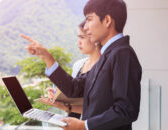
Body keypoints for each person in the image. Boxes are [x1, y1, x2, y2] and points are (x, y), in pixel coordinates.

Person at [21, 0, 142, 129]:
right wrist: (47, 57)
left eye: (89, 19)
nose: (85, 27)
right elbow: (74, 88)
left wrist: (84, 125)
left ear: (107, 20)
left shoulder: (122, 53)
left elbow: (126, 110)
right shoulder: (108, 55)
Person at [40, 20, 101, 119]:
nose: (78, 42)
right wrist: (60, 95)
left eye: (82, 37)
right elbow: (74, 93)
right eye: (78, 37)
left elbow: (99, 109)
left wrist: (48, 58)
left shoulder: (104, 68)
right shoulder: (78, 65)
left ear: (95, 38)